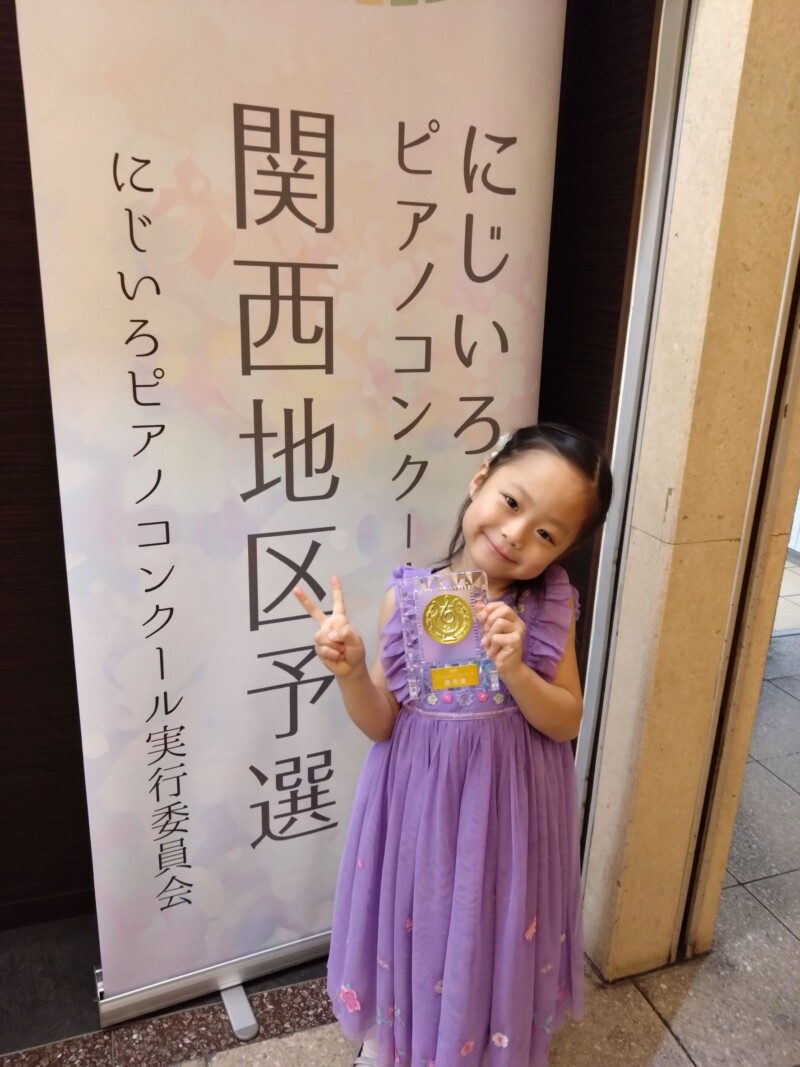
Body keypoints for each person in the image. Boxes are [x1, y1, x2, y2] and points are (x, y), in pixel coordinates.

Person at [295, 424, 613, 1067]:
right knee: (421, 919)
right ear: (481, 479)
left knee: (492, 926)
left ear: (563, 552)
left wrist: (517, 670)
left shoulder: (550, 605)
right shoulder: (407, 598)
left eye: (547, 534)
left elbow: (567, 720)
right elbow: (382, 722)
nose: (516, 534)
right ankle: (399, 1042)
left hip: (510, 814)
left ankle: (487, 1044)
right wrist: (351, 672)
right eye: (512, 502)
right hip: (421, 808)